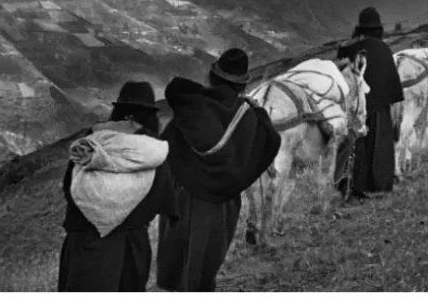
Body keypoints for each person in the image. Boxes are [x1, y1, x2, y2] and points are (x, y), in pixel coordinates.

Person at [157, 49, 282, 292]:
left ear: (213, 76)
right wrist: (260, 113)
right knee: (206, 260)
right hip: (221, 202)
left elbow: (167, 146)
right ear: (242, 84)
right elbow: (271, 141)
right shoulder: (247, 117)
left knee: (177, 254)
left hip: (183, 194)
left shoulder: (190, 106)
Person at [58, 82, 179, 292]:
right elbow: (162, 195)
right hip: (132, 245)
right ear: (149, 114)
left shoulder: (92, 140)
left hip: (86, 241)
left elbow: (70, 187)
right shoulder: (154, 147)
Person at [335, 7, 404, 198]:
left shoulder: (349, 49)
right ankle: (380, 183)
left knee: (356, 146)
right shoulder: (384, 49)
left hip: (356, 109)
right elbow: (393, 83)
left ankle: (353, 185)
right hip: (381, 108)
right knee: (380, 145)